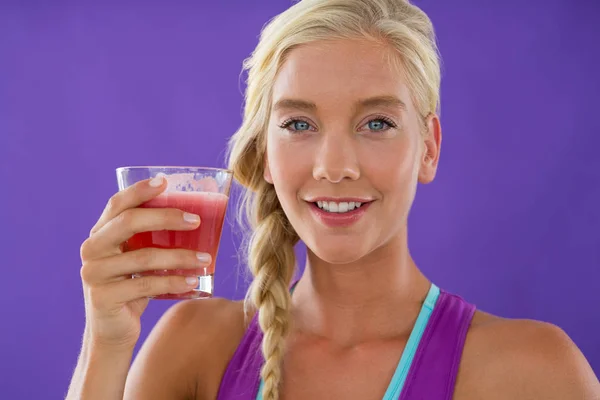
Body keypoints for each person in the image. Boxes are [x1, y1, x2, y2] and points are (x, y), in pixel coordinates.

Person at [67, 0, 599, 399]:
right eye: (299, 123)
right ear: (266, 155)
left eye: (377, 123)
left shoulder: (531, 371)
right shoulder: (193, 347)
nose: (335, 166)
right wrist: (106, 343)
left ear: (429, 148)